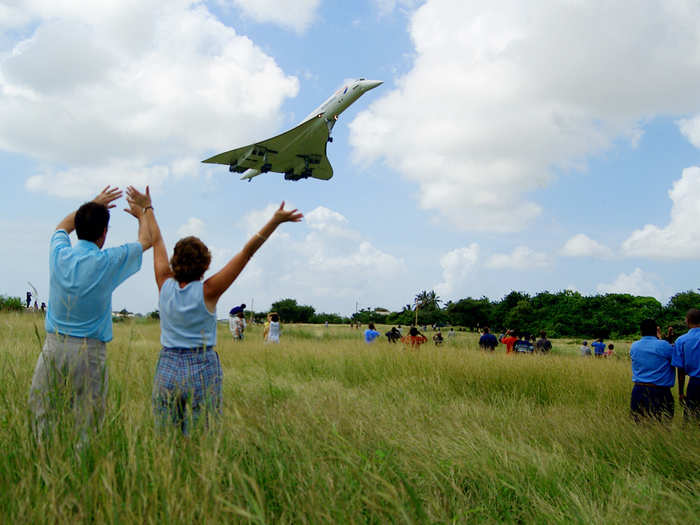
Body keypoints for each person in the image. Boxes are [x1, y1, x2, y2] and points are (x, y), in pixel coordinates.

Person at [141, 188, 301, 433]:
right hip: (202, 366)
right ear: (206, 265)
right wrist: (274, 222)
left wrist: (148, 209)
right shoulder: (209, 291)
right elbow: (247, 253)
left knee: (166, 437)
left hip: (167, 366)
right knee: (200, 436)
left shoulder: (164, 283)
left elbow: (157, 241)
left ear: (174, 262)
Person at [28, 186, 154, 438]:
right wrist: (145, 212)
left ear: (80, 228)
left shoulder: (59, 254)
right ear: (104, 234)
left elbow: (61, 228)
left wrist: (94, 204)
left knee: (41, 411)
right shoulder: (107, 261)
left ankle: (42, 458)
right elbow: (146, 241)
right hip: (90, 351)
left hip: (53, 346)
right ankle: (81, 467)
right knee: (88, 419)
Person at [629, 318, 675, 423]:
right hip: (660, 391)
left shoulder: (634, 346)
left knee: (639, 426)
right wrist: (661, 338)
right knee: (663, 425)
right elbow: (674, 360)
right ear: (656, 330)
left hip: (639, 389)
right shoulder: (664, 345)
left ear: (641, 331)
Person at [672, 308, 700, 421]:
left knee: (691, 419)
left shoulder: (681, 340)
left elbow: (681, 370)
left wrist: (681, 393)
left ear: (687, 321)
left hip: (695, 384)